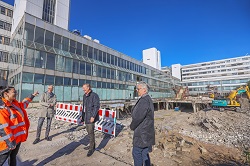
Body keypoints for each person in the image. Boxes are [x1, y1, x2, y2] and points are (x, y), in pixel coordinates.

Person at [0, 86, 39, 166]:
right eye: (14, 92)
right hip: (7, 142)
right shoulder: (2, 108)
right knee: (1, 161)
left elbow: (24, 104)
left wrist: (32, 96)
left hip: (17, 139)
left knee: (13, 157)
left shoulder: (15, 104)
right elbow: (3, 127)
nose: (16, 93)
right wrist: (10, 142)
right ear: (6, 94)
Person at [130, 81, 155, 166]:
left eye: (138, 89)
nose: (137, 90)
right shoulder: (147, 99)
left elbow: (138, 117)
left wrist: (132, 126)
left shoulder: (144, 100)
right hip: (146, 132)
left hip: (142, 133)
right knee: (144, 153)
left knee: (136, 153)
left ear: (144, 90)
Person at [82, 83, 100, 157]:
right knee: (88, 132)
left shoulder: (94, 95)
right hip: (86, 116)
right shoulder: (84, 96)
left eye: (84, 88)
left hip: (91, 117)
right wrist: (82, 116)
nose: (83, 90)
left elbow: (96, 106)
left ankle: (91, 148)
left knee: (91, 132)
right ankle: (92, 145)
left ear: (88, 87)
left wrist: (93, 116)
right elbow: (84, 107)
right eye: (83, 88)